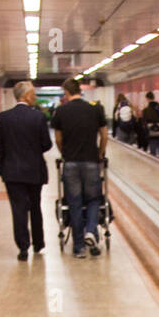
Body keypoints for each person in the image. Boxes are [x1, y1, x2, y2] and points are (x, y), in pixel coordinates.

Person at [0, 80, 52, 260]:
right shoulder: (38, 117)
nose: (35, 97)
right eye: (33, 94)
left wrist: (2, 170)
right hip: (34, 171)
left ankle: (23, 248)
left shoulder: (3, 118)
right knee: (35, 207)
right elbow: (46, 145)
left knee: (18, 210)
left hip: (12, 173)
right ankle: (38, 244)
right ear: (26, 96)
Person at [51, 77, 108, 258]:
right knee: (93, 199)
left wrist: (65, 154)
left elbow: (58, 139)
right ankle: (91, 230)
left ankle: (78, 248)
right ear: (80, 90)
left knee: (74, 202)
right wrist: (100, 153)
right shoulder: (95, 109)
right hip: (91, 161)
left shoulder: (61, 111)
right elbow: (104, 134)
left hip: (71, 163)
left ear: (66, 92)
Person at [140, 90, 159, 159]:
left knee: (153, 153)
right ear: (154, 97)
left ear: (147, 99)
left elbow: (144, 124)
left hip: (152, 133)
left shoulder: (145, 110)